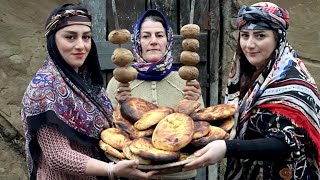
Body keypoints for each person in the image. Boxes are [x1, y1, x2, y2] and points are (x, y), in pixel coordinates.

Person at [183, 2, 320, 180]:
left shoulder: (292, 79)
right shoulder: (249, 74)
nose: (249, 44)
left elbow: (286, 142)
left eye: (260, 36)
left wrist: (227, 148)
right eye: (245, 35)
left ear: (278, 38)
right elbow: (239, 119)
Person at [21, 4, 156, 180]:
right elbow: (57, 155)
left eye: (86, 37)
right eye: (70, 37)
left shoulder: (90, 86)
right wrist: (111, 170)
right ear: (53, 41)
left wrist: (122, 107)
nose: (81, 45)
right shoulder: (44, 88)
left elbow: (104, 134)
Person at [106, 9, 204, 180]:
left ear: (168, 40)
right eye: (146, 36)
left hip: (180, 174)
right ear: (137, 41)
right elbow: (110, 131)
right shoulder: (119, 82)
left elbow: (201, 131)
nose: (153, 41)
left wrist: (194, 104)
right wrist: (119, 105)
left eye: (159, 35)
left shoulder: (185, 81)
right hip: (135, 174)